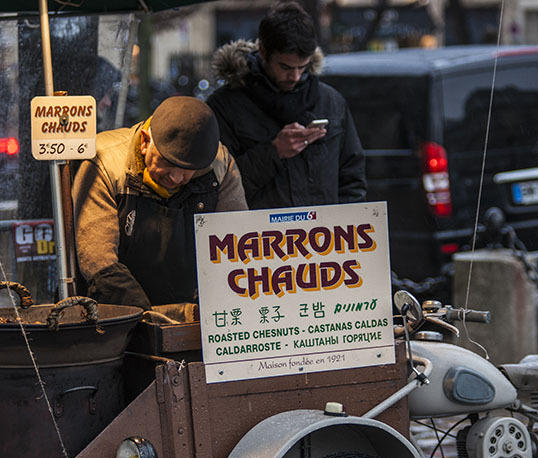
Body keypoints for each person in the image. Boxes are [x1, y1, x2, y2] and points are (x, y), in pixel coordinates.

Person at [73, 95, 247, 316]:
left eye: (187, 169)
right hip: (118, 312)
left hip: (194, 311)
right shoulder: (105, 163)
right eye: (167, 162)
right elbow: (98, 261)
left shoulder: (219, 166)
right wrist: (149, 319)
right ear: (146, 142)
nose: (175, 178)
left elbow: (236, 252)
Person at [206, 0, 366, 209]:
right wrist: (273, 152)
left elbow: (352, 177)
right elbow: (214, 187)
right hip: (259, 237)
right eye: (286, 67)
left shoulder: (330, 102)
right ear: (263, 52)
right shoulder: (225, 106)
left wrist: (345, 227)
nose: (296, 76)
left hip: (323, 237)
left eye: (303, 67)